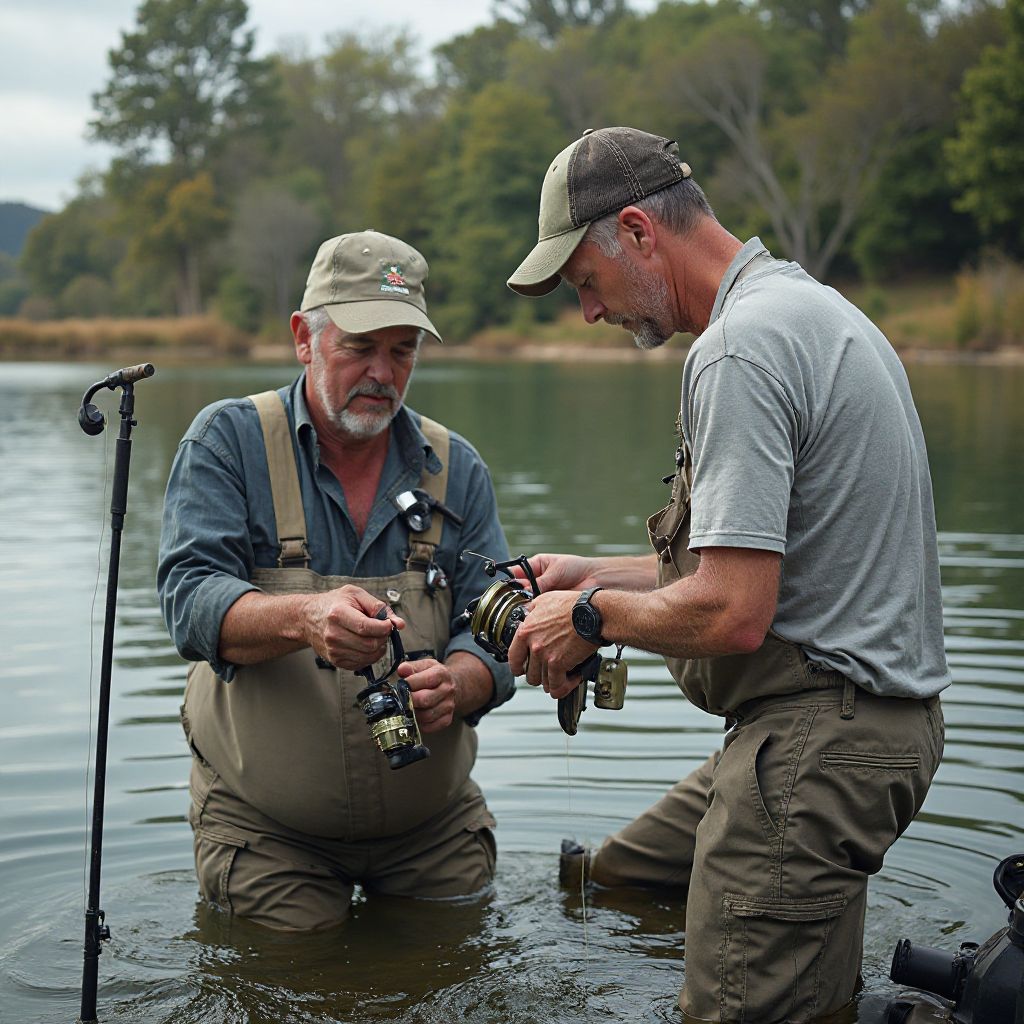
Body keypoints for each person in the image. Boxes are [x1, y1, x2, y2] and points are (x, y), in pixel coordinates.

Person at [504, 127, 949, 1023]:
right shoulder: (807, 309)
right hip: (875, 729)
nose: (588, 312)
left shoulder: (737, 351)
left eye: (585, 284)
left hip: (820, 745)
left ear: (636, 231)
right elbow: (771, 561)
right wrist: (592, 572)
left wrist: (585, 619)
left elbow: (737, 614)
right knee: (615, 878)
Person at [158, 230, 514, 931]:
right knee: (293, 971)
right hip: (265, 832)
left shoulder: (456, 467)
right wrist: (302, 618)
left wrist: (465, 680)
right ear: (303, 337)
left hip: (433, 832)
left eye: (402, 350)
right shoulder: (226, 443)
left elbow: (497, 620)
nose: (383, 371)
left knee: (447, 968)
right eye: (359, 346)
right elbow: (189, 600)